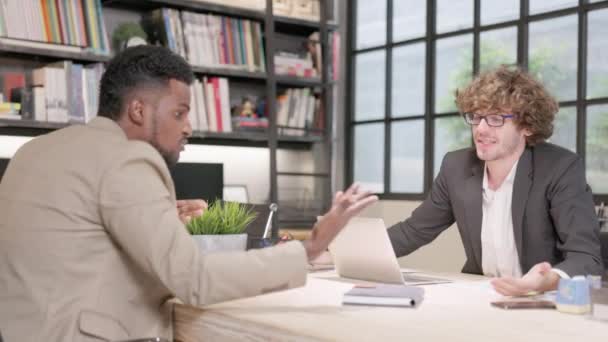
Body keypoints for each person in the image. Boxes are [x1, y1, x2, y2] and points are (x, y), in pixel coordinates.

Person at [0, 45, 377, 341]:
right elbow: (195, 280)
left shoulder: (35, 151)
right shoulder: (129, 159)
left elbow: (79, 248)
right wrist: (308, 249)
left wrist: (167, 224)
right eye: (179, 113)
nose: (188, 128)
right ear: (137, 110)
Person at [388, 66, 603, 296]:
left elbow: (586, 258)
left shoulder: (559, 168)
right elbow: (413, 231)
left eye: (495, 118)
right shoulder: (456, 167)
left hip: (542, 300)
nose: (480, 129)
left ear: (527, 126)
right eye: (476, 117)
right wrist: (353, 251)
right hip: (482, 297)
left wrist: (544, 282)